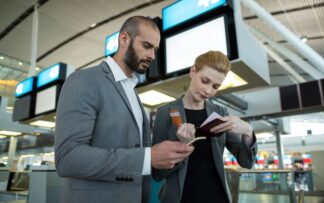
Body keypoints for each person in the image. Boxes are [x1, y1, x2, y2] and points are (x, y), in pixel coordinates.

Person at [55, 16, 194, 203]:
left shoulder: (133, 93)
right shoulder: (84, 80)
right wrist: (147, 158)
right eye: (146, 46)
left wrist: (171, 155)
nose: (153, 56)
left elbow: (144, 162)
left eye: (155, 49)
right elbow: (68, 158)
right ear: (124, 39)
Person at [152, 51, 257, 203]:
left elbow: (246, 162)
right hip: (181, 197)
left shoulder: (220, 113)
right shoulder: (166, 112)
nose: (208, 90)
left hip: (217, 196)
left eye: (215, 86)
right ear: (193, 71)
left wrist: (248, 131)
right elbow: (158, 173)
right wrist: (182, 145)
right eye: (205, 81)